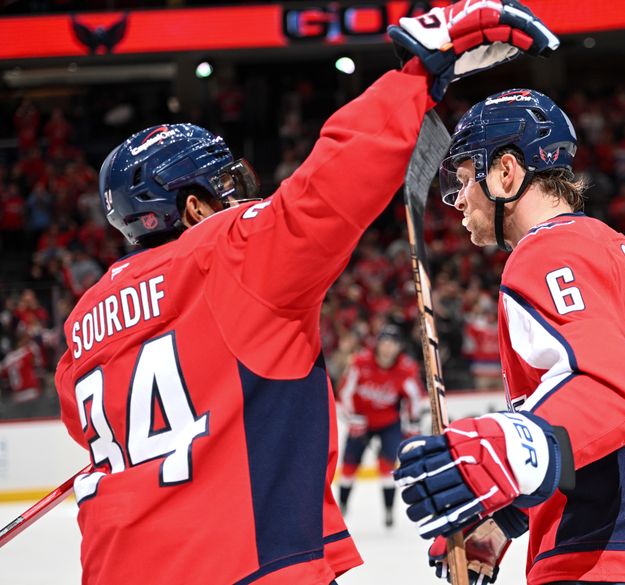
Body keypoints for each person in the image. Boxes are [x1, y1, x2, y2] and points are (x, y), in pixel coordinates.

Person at [51, 4, 559, 584]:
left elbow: (95, 426)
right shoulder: (224, 250)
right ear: (192, 207)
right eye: (224, 189)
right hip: (241, 566)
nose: (239, 202)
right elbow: (326, 190)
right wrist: (415, 75)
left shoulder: (84, 320)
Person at [394, 90, 625, 585]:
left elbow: (609, 387)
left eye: (463, 180)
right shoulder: (606, 244)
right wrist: (507, 515)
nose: (457, 200)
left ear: (506, 172)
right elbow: (599, 426)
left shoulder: (550, 249)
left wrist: (507, 447)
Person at [337, 324, 425, 527]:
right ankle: (342, 506)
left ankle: (388, 511)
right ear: (377, 345)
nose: (387, 348)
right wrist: (353, 418)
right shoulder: (360, 362)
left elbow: (414, 397)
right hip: (361, 422)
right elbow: (345, 392)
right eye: (384, 343)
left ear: (398, 347)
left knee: (387, 468)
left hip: (388, 423)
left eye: (392, 344)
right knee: (349, 466)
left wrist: (413, 423)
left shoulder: (406, 368)